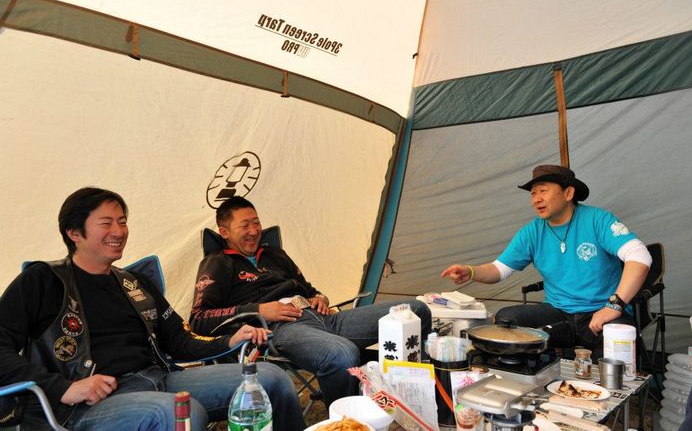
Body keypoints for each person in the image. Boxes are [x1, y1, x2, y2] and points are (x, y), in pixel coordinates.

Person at [0, 188, 305, 431]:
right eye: (106, 223)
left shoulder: (134, 282)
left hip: (156, 379)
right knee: (180, 412)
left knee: (270, 379)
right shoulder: (43, 281)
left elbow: (179, 340)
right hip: (84, 406)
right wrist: (64, 388)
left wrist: (229, 341)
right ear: (74, 233)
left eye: (122, 221)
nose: (119, 231)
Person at [190, 196, 432, 406]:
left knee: (416, 310)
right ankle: (345, 422)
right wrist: (259, 310)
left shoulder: (275, 255)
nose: (254, 231)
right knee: (342, 354)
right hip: (281, 329)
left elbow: (309, 289)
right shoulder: (218, 263)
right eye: (245, 226)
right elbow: (199, 319)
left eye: (256, 223)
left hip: (325, 319)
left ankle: (412, 399)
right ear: (225, 233)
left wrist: (319, 298)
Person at [441, 165, 652, 358]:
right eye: (533, 194)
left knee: (616, 347)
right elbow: (499, 269)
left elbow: (640, 256)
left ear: (568, 193)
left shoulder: (598, 220)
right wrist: (471, 271)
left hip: (601, 312)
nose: (536, 199)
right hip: (559, 313)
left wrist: (614, 306)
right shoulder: (532, 232)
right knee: (507, 318)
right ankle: (526, 379)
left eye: (543, 191)